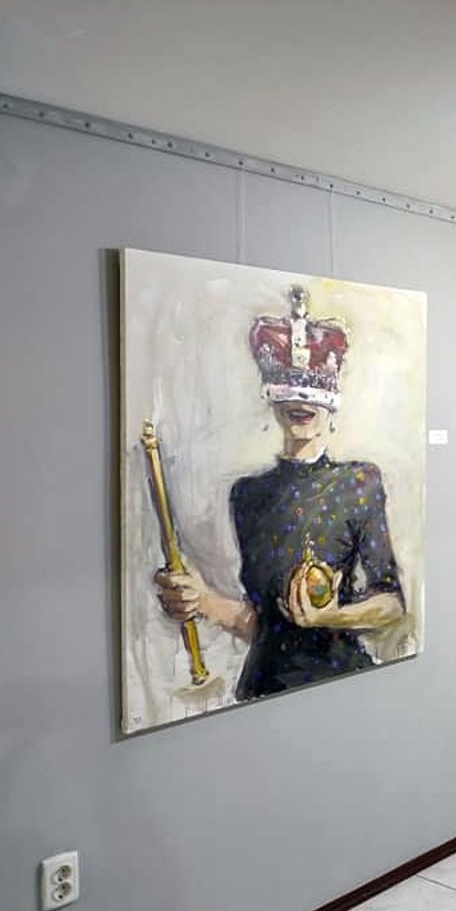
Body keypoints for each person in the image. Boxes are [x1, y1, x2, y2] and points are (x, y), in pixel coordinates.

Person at [154, 286, 406, 700]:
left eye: (310, 395)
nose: (299, 404)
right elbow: (264, 625)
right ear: (272, 400)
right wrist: (202, 601)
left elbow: (391, 603)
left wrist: (331, 616)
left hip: (342, 682)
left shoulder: (360, 482)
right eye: (287, 392)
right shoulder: (248, 495)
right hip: (264, 689)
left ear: (330, 403)